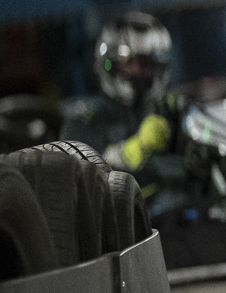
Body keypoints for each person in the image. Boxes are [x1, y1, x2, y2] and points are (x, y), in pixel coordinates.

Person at [60, 12, 196, 214]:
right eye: (130, 64)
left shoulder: (171, 110)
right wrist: (137, 148)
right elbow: (84, 181)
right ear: (109, 64)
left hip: (181, 222)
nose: (139, 72)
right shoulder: (84, 121)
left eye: (147, 63)